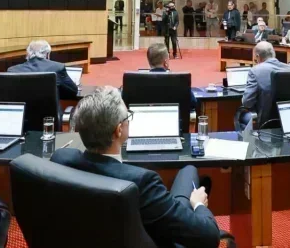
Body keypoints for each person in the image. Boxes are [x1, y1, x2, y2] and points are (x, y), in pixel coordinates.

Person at [52, 87, 220, 248]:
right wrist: (198, 205)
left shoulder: (61, 159)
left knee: (188, 170)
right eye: (128, 117)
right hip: (154, 238)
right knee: (189, 175)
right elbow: (210, 237)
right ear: (118, 130)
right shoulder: (142, 182)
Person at [240, 41, 290, 130]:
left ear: (257, 57)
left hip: (264, 122)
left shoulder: (255, 71)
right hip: (289, 120)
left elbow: (247, 103)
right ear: (274, 53)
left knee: (240, 116)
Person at [8, 40, 78, 99]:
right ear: (47, 54)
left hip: (23, 114)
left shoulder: (13, 70)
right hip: (50, 115)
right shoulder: (58, 67)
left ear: (28, 54)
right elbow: (73, 91)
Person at [147, 43, 197, 109]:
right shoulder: (179, 81)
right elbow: (193, 103)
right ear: (165, 63)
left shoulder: (137, 81)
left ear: (149, 61)